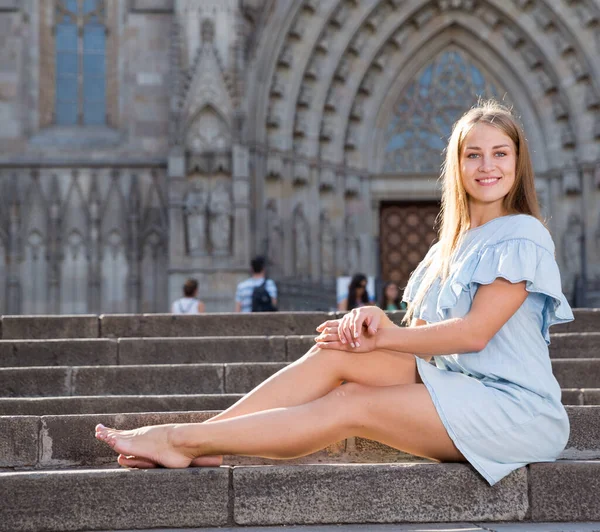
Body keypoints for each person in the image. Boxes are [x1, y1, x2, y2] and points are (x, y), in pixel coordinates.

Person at [94, 100, 573, 487]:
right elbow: (423, 347)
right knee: (336, 352)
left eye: (500, 153)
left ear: (517, 162)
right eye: (473, 154)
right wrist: (370, 324)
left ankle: (182, 438)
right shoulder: (444, 250)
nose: (486, 165)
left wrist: (385, 337)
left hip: (514, 410)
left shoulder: (523, 234)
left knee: (352, 403)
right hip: (460, 388)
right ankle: (207, 440)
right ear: (458, 165)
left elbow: (472, 334)